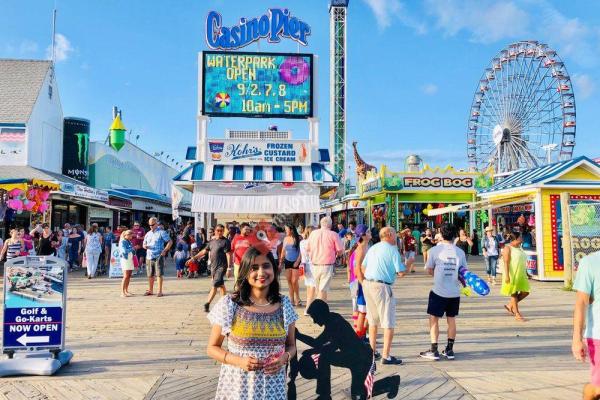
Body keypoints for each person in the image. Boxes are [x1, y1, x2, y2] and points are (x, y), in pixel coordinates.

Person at [206, 246, 298, 400]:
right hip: (237, 387)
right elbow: (212, 348)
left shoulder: (284, 304)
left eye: (266, 266)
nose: (261, 273)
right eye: (254, 268)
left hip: (273, 388)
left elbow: (291, 345)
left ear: (274, 270)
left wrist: (284, 358)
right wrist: (238, 361)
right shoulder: (230, 304)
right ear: (245, 272)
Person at [295, 299, 374, 400]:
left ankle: (325, 394)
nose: (314, 321)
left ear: (321, 314)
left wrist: (310, 349)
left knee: (359, 393)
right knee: (359, 391)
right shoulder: (332, 319)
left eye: (314, 317)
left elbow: (331, 347)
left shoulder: (335, 322)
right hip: (355, 356)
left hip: (360, 358)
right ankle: (324, 395)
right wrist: (299, 336)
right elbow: (319, 343)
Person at [420, 224, 464, 361]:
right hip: (454, 292)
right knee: (451, 319)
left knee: (434, 319)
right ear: (455, 235)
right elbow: (463, 272)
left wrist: (438, 274)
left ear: (441, 234)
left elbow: (429, 269)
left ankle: (434, 350)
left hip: (438, 291)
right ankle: (449, 350)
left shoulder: (434, 250)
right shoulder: (460, 252)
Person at [361, 227, 406, 365]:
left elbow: (363, 267)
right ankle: (386, 355)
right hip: (383, 286)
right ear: (390, 235)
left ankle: (371, 352)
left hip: (368, 284)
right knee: (388, 321)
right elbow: (401, 272)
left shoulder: (373, 248)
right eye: (395, 234)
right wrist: (408, 264)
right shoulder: (393, 250)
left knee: (372, 321)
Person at [572, 251, 600, 400]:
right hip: (598, 335)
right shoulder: (590, 262)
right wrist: (577, 339)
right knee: (597, 389)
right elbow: (581, 302)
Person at [306, 216, 343, 302]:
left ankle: (323, 308)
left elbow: (308, 248)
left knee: (319, 289)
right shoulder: (334, 234)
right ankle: (319, 310)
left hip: (314, 265)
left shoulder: (313, 233)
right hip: (327, 265)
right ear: (330, 225)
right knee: (322, 290)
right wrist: (337, 255)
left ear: (320, 224)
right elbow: (340, 250)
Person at [195, 224, 231, 312]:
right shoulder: (211, 241)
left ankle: (207, 303)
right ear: (215, 231)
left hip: (222, 266)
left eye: (221, 231)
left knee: (215, 284)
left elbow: (228, 254)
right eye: (218, 230)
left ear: (223, 232)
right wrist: (193, 258)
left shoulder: (226, 241)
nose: (219, 232)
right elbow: (204, 251)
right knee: (221, 285)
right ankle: (225, 303)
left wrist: (229, 268)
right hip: (213, 266)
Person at [500, 230, 530, 321]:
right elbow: (506, 262)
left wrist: (526, 272)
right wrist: (507, 276)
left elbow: (522, 260)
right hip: (511, 273)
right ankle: (517, 313)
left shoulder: (519, 248)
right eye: (520, 237)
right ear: (516, 239)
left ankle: (510, 305)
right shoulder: (508, 248)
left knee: (525, 292)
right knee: (514, 293)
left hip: (521, 273)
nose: (522, 238)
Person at [350, 224, 371, 340]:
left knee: (367, 311)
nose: (370, 233)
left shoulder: (367, 246)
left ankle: (364, 334)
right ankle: (360, 336)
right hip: (362, 283)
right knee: (363, 311)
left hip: (367, 282)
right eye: (368, 231)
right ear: (363, 235)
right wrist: (363, 283)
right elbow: (357, 268)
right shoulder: (361, 248)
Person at [143, 217, 173, 297]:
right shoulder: (148, 233)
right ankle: (150, 290)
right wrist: (144, 246)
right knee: (150, 274)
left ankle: (159, 291)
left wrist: (165, 250)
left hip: (158, 256)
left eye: (152, 225)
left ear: (156, 224)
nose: (151, 226)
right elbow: (144, 243)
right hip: (149, 256)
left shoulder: (161, 232)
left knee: (159, 274)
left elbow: (170, 242)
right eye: (149, 225)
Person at [280, 224, 302, 307]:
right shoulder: (285, 238)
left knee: (294, 281)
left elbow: (301, 252)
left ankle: (298, 298)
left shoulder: (298, 238)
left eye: (286, 229)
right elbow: (283, 251)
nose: (285, 231)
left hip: (296, 262)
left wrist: (297, 261)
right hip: (287, 261)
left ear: (291, 230)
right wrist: (280, 262)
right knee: (289, 281)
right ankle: (291, 299)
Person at [299, 226, 315, 316]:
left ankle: (309, 307)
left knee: (309, 288)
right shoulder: (313, 242)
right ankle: (308, 308)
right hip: (312, 265)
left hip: (304, 265)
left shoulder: (302, 242)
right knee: (312, 288)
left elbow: (302, 255)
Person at [119, 230, 136, 297]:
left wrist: (133, 250)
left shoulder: (129, 241)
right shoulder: (122, 241)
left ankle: (126, 290)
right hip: (125, 259)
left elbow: (132, 250)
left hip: (130, 259)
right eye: (130, 234)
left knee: (129, 276)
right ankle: (122, 292)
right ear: (126, 235)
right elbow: (124, 251)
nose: (131, 236)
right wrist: (132, 249)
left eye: (131, 234)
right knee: (125, 276)